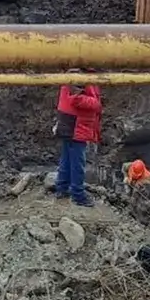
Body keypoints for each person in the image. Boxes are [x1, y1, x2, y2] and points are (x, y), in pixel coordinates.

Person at [53, 76, 102, 207]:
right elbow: (76, 98)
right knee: (77, 163)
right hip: (76, 126)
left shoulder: (74, 73)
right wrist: (96, 103)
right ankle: (78, 195)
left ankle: (62, 189)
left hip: (69, 124)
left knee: (67, 159)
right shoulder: (79, 75)